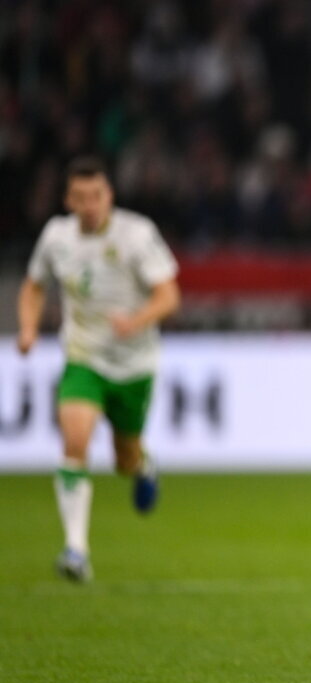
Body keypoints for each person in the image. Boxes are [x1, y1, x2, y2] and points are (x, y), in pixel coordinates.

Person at [17, 156, 181, 582]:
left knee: (123, 459)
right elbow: (34, 285)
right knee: (75, 439)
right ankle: (76, 551)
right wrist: (29, 328)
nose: (89, 205)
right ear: (68, 199)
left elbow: (168, 295)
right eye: (80, 197)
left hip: (134, 364)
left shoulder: (137, 234)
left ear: (109, 195)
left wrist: (137, 321)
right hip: (84, 356)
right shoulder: (56, 237)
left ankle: (143, 464)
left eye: (97, 196)